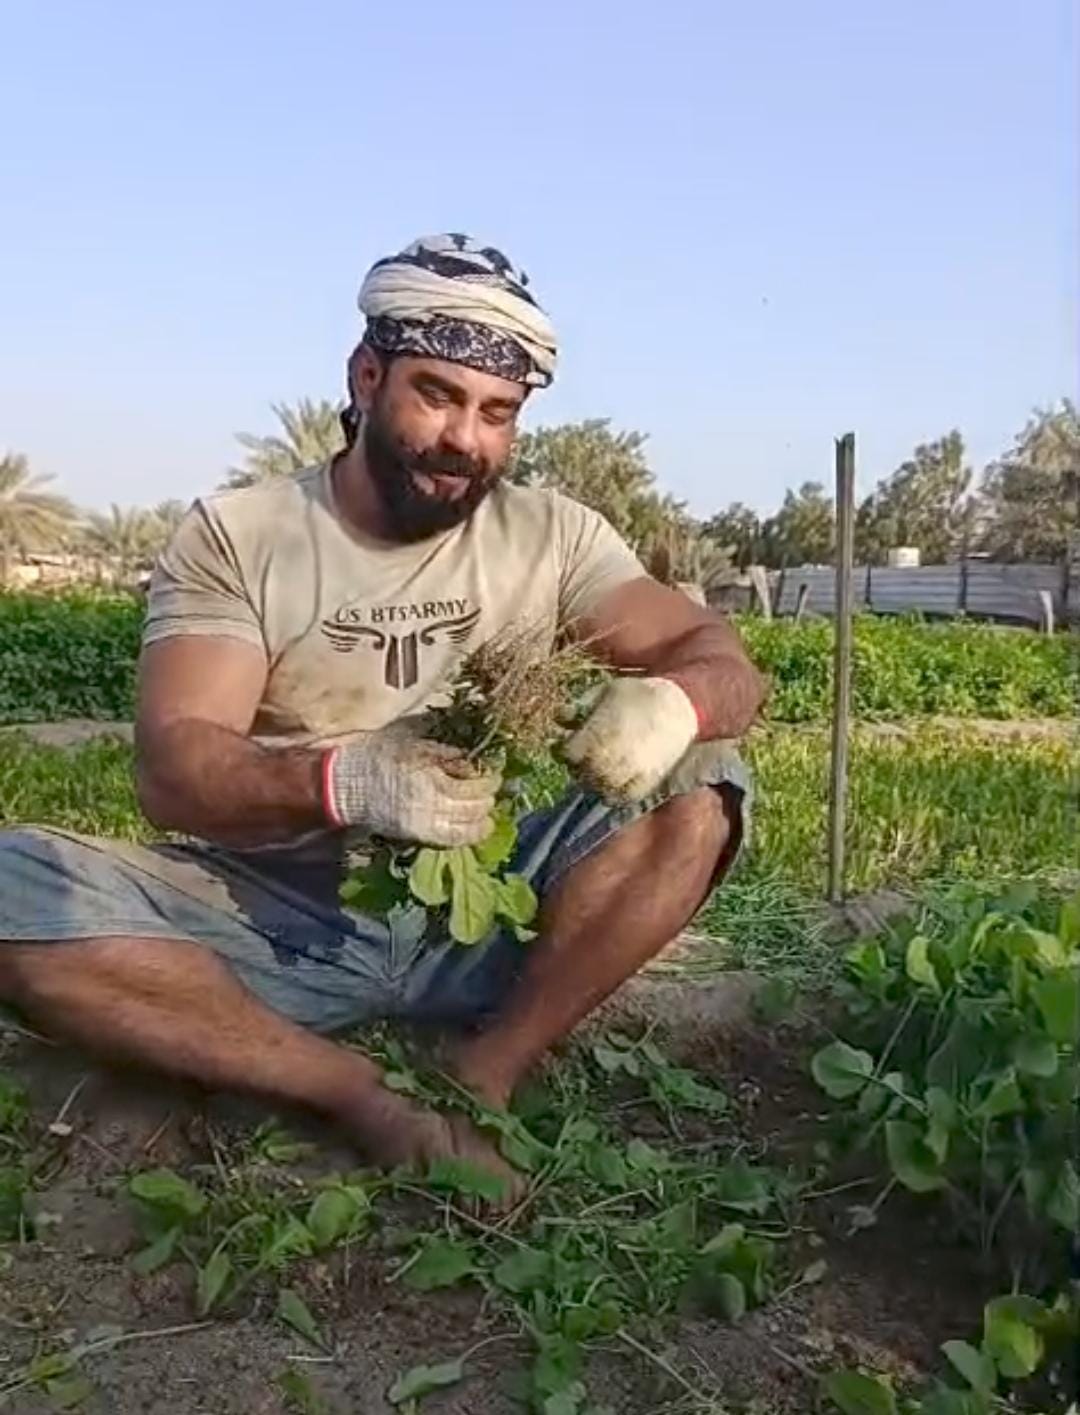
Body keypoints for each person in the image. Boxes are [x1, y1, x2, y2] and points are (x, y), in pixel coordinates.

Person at [0, 234, 764, 1187]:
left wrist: (676, 702)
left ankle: (488, 1068)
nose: (464, 439)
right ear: (367, 377)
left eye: (497, 412)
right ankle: (354, 1094)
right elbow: (174, 768)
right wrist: (343, 781)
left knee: (705, 771)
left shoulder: (553, 535)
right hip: (274, 914)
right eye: (436, 394)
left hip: (483, 909)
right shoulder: (242, 534)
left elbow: (722, 659)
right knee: (13, 882)